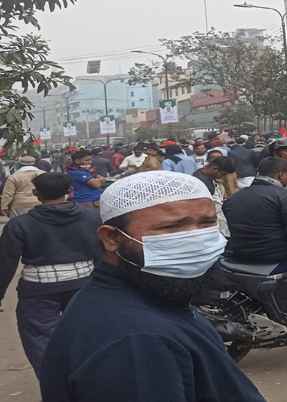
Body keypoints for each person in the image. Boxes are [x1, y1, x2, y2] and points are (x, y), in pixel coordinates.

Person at [39, 171, 266, 402]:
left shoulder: (156, 296)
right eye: (173, 228)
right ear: (111, 238)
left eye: (207, 223)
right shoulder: (135, 341)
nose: (196, 241)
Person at [0, 173, 101, 381]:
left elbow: (6, 263)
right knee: (85, 333)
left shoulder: (19, 225)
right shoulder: (91, 217)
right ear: (69, 191)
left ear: (36, 194)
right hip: (83, 285)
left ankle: (54, 384)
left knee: (40, 339)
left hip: (38, 290)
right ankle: (87, 381)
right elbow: (102, 253)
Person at [223, 157, 287, 271]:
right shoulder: (285, 196)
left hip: (240, 256)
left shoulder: (233, 198)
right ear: (280, 175)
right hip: (278, 257)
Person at [194, 157, 237, 238]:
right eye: (223, 174)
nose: (222, 177)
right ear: (215, 168)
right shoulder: (201, 182)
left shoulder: (207, 176)